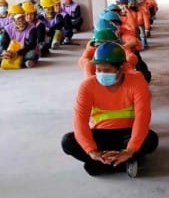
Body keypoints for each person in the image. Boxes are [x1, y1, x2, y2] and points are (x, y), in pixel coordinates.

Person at [61, 42, 158, 177]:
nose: (101, 74)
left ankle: (102, 165)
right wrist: (92, 151)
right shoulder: (87, 86)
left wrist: (130, 149)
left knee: (151, 139)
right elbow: (80, 121)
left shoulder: (137, 82)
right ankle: (125, 162)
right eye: (98, 70)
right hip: (101, 135)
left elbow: (143, 117)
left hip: (127, 134)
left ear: (121, 68)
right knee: (67, 141)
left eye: (106, 70)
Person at [1, 4, 39, 68]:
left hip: (24, 51)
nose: (21, 21)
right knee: (1, 50)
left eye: (22, 18)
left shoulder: (32, 28)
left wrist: (18, 53)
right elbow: (4, 44)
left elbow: (32, 45)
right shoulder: (7, 29)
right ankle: (23, 62)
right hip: (10, 51)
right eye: (18, 19)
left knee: (33, 53)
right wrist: (4, 51)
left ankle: (25, 61)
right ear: (12, 19)